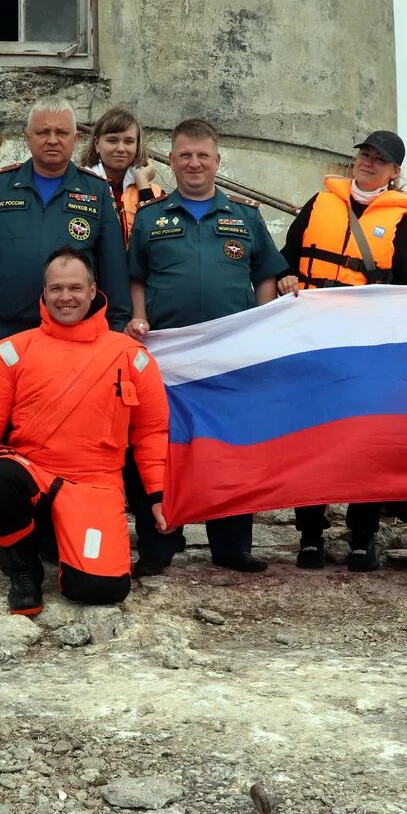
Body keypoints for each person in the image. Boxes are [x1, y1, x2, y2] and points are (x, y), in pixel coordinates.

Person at [0, 96, 132, 578]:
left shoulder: (94, 193)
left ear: (75, 139)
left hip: (70, 343)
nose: (52, 141)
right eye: (43, 132)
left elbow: (113, 268)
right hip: (4, 333)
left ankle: (44, 534)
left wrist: (120, 328)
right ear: (28, 138)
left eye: (61, 133)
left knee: (58, 439)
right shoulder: (0, 187)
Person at [0, 248, 169, 615]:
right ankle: (22, 568)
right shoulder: (11, 352)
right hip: (31, 474)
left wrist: (159, 494)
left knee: (101, 590)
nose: (65, 297)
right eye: (56, 289)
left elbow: (151, 432)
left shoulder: (131, 357)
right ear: (44, 292)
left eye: (74, 288)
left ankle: (59, 545)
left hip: (94, 484)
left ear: (93, 289)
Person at [125, 119, 286, 573]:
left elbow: (265, 275)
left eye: (203, 155)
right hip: (167, 357)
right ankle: (160, 544)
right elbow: (135, 276)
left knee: (230, 448)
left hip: (228, 357)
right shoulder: (151, 218)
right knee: (163, 448)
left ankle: (231, 546)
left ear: (217, 161)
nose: (194, 163)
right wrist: (139, 320)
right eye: (184, 155)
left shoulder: (245, 218)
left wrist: (261, 325)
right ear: (170, 162)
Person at [275, 130, 407, 571]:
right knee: (310, 439)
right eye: (365, 154)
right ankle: (309, 537)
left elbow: (405, 286)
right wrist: (285, 275)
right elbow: (286, 254)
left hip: (362, 350)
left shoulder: (399, 223)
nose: (369, 162)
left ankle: (363, 537)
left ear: (394, 173)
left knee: (365, 442)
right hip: (311, 343)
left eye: (380, 159)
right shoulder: (318, 203)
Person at [80, 106, 163, 246]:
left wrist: (143, 184)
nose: (120, 149)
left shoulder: (155, 192)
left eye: (129, 141)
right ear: (97, 144)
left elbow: (157, 239)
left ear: (137, 146)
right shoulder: (78, 185)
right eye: (112, 140)